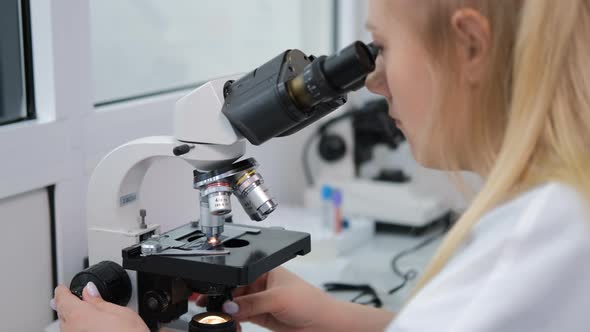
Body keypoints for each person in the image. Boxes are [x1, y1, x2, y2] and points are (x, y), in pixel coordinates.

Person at [53, 0, 590, 331]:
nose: (374, 83)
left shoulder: (535, 244)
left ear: (471, 46)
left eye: (382, 48)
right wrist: (334, 320)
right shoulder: (557, 213)